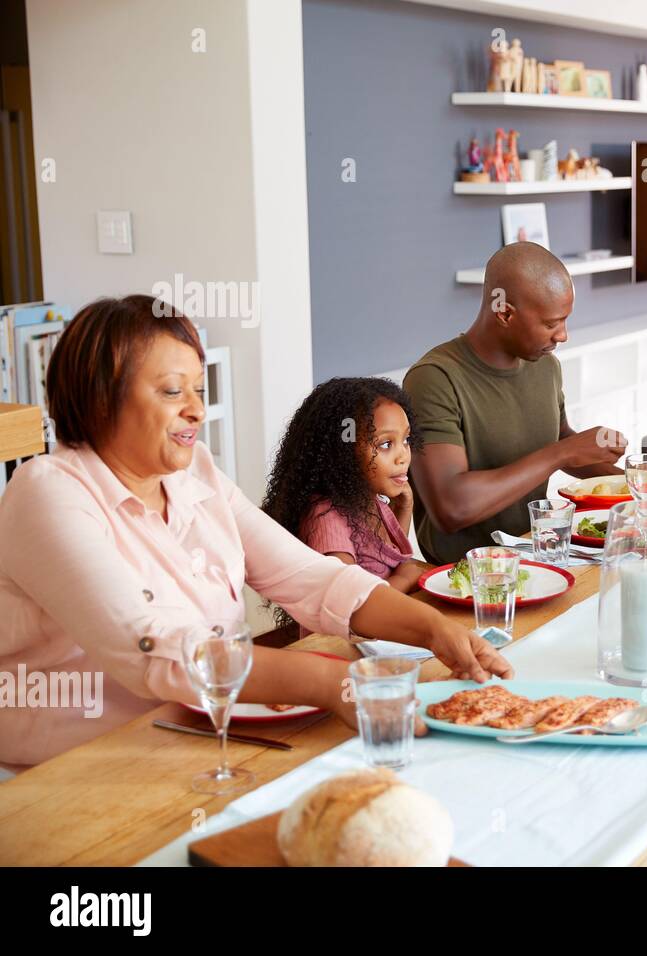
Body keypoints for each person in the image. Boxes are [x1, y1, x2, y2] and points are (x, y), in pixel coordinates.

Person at [0, 296, 511, 769]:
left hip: (199, 733)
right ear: (99, 399)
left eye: (199, 390)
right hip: (76, 766)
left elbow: (314, 578)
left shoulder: (192, 475)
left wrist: (433, 629)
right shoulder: (49, 492)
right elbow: (154, 650)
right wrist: (333, 682)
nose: (197, 409)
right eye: (173, 391)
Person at [404, 242, 626, 564]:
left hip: (534, 556)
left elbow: (558, 438)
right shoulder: (434, 379)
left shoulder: (546, 367)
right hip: (464, 577)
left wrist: (633, 482)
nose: (563, 335)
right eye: (551, 324)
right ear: (505, 312)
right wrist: (563, 452)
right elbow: (452, 507)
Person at [263, 378, 434, 627]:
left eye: (406, 440)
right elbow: (350, 607)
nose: (403, 456)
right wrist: (406, 578)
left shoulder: (367, 500)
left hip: (380, 636)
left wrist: (404, 508)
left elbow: (385, 557)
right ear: (343, 453)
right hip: (342, 650)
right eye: (386, 444)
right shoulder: (327, 519)